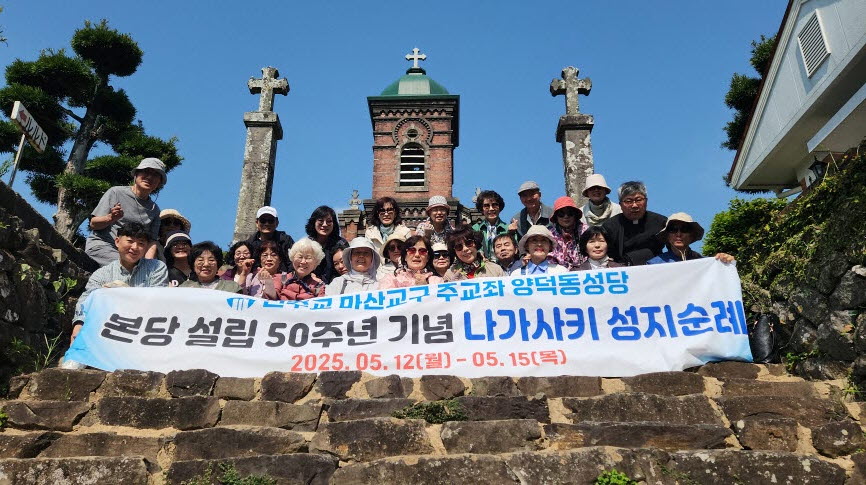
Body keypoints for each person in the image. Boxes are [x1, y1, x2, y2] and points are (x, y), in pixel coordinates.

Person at [70, 222, 168, 344]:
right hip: (110, 330)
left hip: (145, 331)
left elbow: (157, 300)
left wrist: (120, 293)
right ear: (117, 241)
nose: (135, 247)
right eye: (130, 241)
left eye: (141, 243)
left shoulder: (157, 267)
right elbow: (87, 299)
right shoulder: (102, 274)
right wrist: (79, 324)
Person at [85, 158, 166, 266]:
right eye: (146, 171)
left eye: (155, 175)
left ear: (159, 182)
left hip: (131, 256)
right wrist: (110, 218)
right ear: (136, 174)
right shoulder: (116, 192)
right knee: (127, 268)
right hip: (103, 246)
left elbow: (151, 242)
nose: (150, 177)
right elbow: (94, 224)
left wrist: (148, 265)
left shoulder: (155, 210)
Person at [601, 181, 667, 266]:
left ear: (646, 201)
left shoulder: (661, 222)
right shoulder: (609, 226)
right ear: (620, 205)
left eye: (638, 200)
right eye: (629, 201)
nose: (634, 205)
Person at [647, 213, 736, 264]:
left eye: (684, 229)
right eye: (673, 230)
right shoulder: (654, 264)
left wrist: (728, 263)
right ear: (667, 236)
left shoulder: (705, 263)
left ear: (692, 235)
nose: (678, 234)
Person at [304, 205, 347, 284]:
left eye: (329, 221)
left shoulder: (341, 243)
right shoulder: (306, 244)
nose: (324, 224)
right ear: (314, 222)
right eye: (321, 221)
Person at [548, 196, 588, 270]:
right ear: (556, 217)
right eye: (561, 214)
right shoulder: (550, 235)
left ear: (575, 215)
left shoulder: (585, 230)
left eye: (570, 213)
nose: (566, 217)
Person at [472, 190, 510, 262]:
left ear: (500, 207)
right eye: (486, 206)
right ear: (481, 209)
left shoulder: (507, 228)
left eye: (494, 205)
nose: (491, 209)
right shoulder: (475, 229)